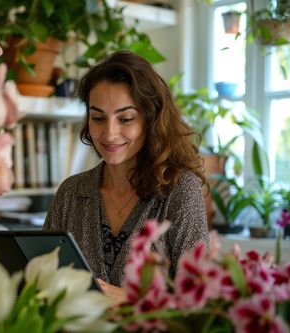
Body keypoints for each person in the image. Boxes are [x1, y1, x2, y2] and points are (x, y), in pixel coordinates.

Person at [43, 50, 209, 303]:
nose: (109, 134)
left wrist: (128, 299)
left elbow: (200, 298)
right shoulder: (71, 193)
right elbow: (43, 280)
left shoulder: (179, 190)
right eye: (98, 118)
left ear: (150, 118)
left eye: (126, 118)